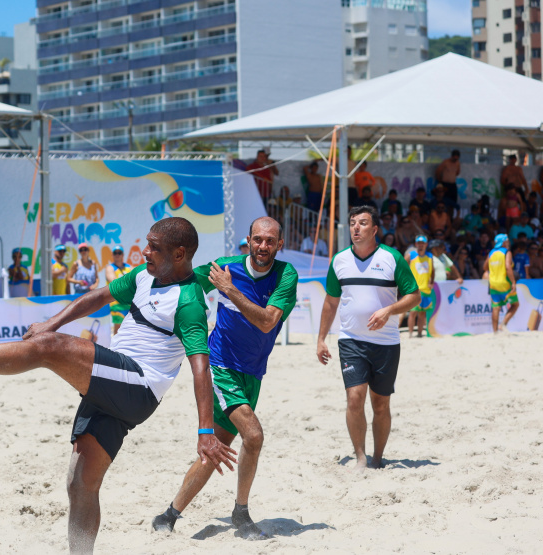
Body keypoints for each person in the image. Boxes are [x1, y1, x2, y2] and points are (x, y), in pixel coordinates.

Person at [0, 217, 236, 553]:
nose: (145, 251)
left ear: (180, 254)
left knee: (49, 348)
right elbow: (98, 296)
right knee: (80, 483)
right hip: (116, 381)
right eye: (147, 243)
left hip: (137, 386)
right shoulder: (145, 276)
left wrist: (204, 431)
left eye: (155, 247)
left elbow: (200, 367)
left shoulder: (189, 302)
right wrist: (50, 322)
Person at [151, 217, 296, 540]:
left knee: (216, 447)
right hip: (220, 366)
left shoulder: (286, 275)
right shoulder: (224, 268)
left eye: (270, 241)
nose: (263, 246)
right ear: (248, 240)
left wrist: (229, 290)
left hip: (253, 374)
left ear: (279, 244)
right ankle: (241, 513)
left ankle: (168, 514)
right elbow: (181, 278)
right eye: (257, 239)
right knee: (254, 436)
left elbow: (268, 322)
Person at [316, 206, 420, 471]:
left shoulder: (392, 258)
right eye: (352, 223)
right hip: (351, 340)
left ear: (375, 230)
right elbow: (330, 302)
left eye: (362, 223)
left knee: (381, 403)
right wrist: (321, 339)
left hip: (386, 343)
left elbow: (414, 296)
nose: (356, 228)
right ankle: (360, 457)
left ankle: (377, 457)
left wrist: (389, 310)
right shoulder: (339, 260)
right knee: (354, 398)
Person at [484, 234, 519, 333]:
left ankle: (495, 332)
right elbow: (508, 267)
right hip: (504, 283)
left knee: (496, 307)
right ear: (503, 242)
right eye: (507, 241)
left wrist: (494, 268)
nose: (508, 242)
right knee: (515, 304)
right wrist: (513, 282)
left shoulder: (491, 253)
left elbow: (485, 267)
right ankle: (503, 324)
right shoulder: (506, 252)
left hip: (493, 284)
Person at [407, 236, 434, 338]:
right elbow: (402, 268)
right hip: (414, 289)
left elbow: (433, 271)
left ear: (426, 244)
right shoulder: (411, 255)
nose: (421, 245)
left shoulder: (430, 256)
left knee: (422, 313)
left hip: (426, 289)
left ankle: (419, 333)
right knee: (413, 312)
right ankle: (410, 334)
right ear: (416, 244)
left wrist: (432, 281)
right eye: (419, 243)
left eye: (423, 243)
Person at [104, 245, 132, 335]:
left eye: (119, 252)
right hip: (116, 304)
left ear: (123, 254)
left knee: (130, 330)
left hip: (130, 305)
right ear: (112, 255)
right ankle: (115, 349)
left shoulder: (129, 267)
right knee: (118, 330)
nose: (117, 255)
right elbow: (114, 282)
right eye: (115, 253)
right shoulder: (110, 267)